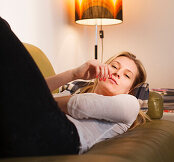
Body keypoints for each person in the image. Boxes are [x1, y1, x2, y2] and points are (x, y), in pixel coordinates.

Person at [0, 17, 150, 157]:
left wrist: (32, 101)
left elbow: (81, 105)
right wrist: (73, 74)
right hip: (30, 124)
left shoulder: (130, 105)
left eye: (127, 75)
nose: (117, 73)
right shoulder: (71, 92)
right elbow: (32, 89)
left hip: (65, 136)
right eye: (114, 66)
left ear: (130, 89)